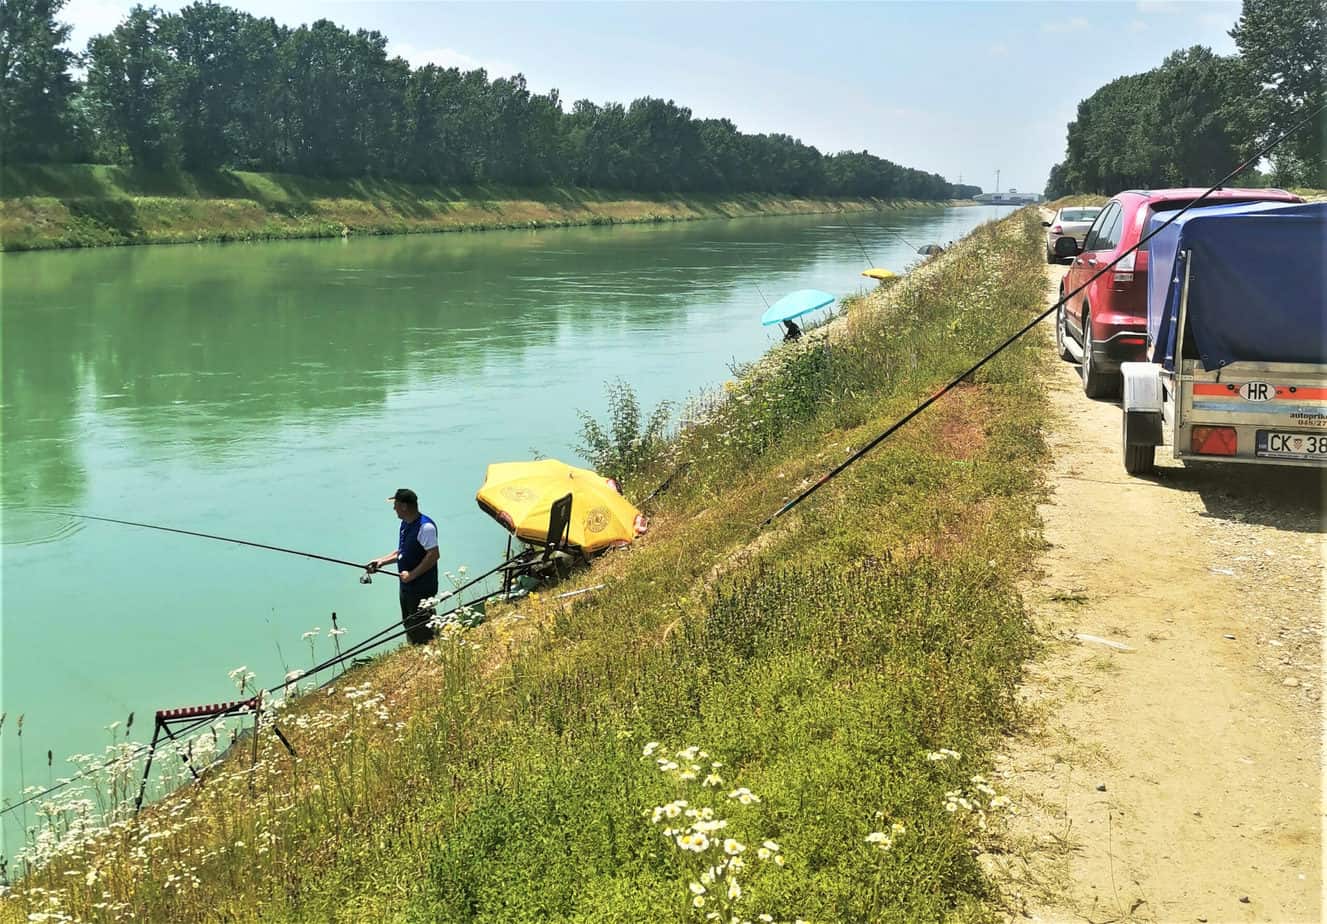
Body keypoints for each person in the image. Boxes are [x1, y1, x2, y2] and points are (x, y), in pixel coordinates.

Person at [367, 488, 440, 645]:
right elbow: (402, 552)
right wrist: (381, 562)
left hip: (421, 587)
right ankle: (415, 648)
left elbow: (433, 555)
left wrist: (412, 575)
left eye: (396, 505)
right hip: (407, 586)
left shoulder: (425, 527)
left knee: (422, 626)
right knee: (409, 624)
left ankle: (428, 649)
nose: (394, 508)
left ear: (404, 506)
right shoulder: (405, 524)